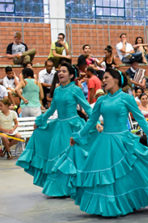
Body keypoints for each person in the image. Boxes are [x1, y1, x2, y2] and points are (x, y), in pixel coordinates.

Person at [60, 69, 148, 217]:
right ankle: (107, 205)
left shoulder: (126, 98)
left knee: (126, 175)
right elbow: (91, 122)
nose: (103, 81)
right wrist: (78, 136)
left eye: (106, 78)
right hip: (104, 142)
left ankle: (125, 203)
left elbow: (140, 118)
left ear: (116, 79)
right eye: (102, 78)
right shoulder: (101, 100)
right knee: (105, 177)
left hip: (123, 140)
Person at [16, 62, 93, 196]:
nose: (60, 73)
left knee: (71, 156)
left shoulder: (75, 89)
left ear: (70, 75)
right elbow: (52, 109)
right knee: (56, 156)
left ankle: (72, 187)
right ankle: (59, 189)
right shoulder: (57, 90)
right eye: (59, 71)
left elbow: (86, 107)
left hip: (73, 127)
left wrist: (95, 122)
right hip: (59, 126)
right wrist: (40, 121)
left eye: (63, 71)